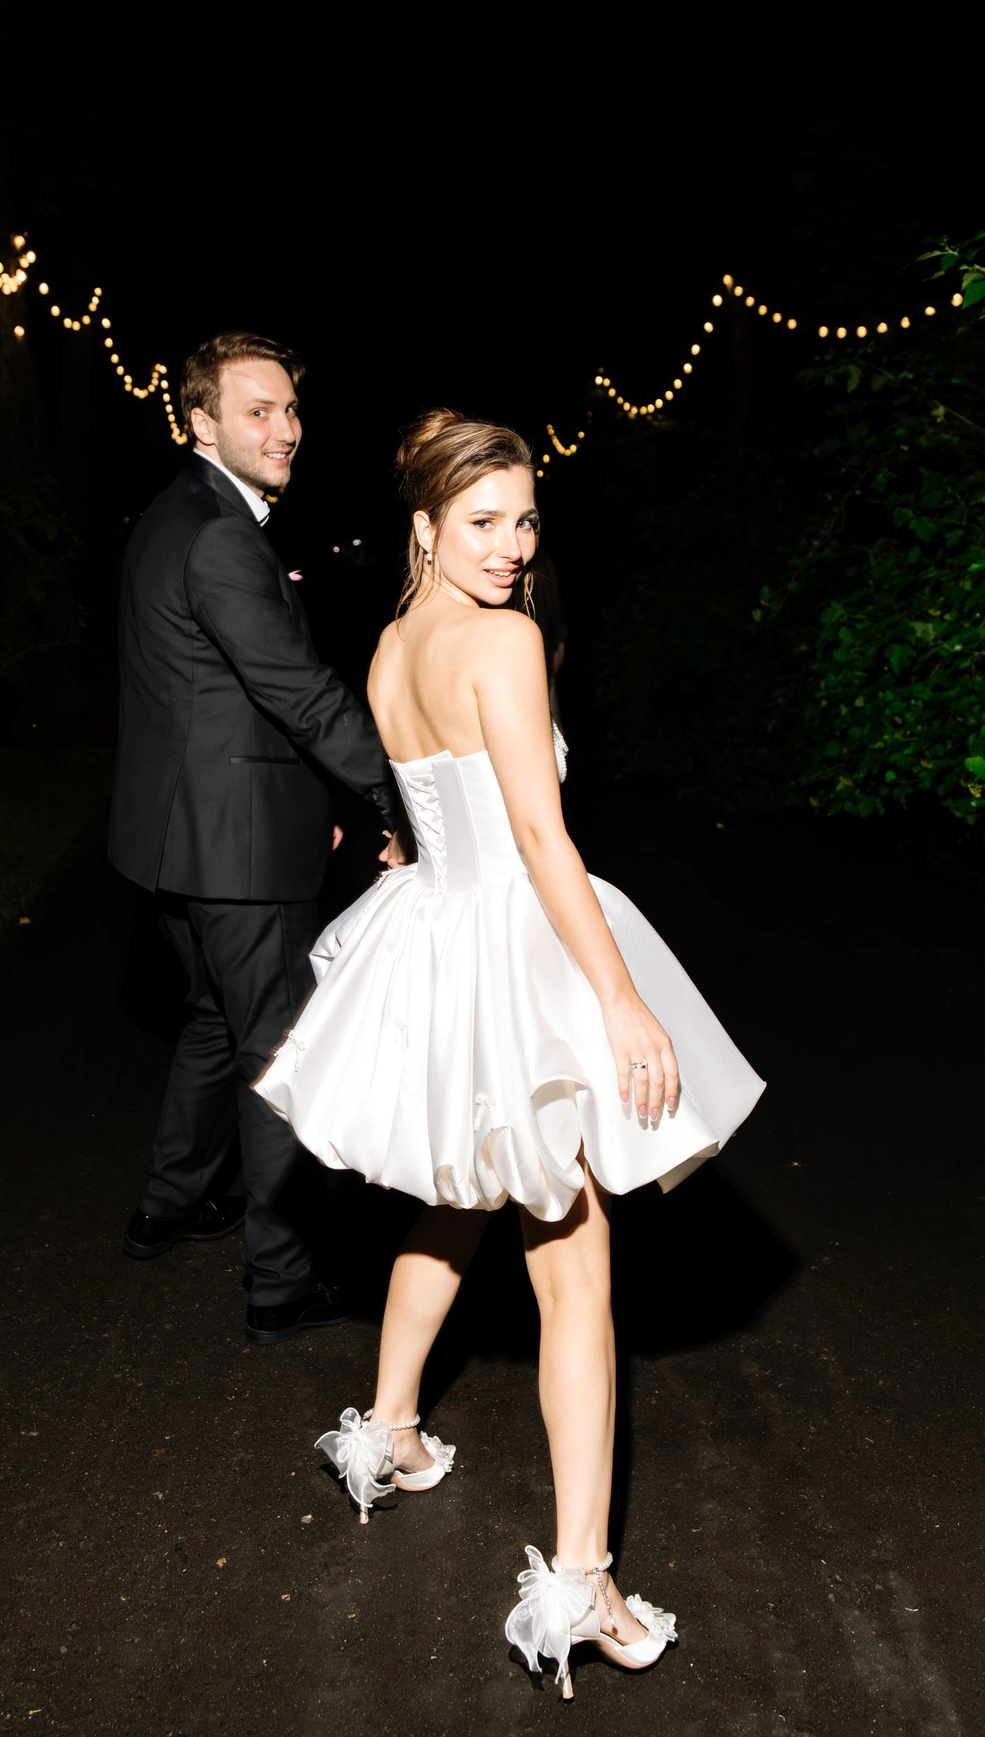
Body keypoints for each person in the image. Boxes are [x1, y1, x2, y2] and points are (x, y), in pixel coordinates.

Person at [253, 410, 765, 1696]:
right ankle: (582, 1583)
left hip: (439, 942)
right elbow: (540, 842)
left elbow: (422, 809)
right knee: (575, 1267)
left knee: (457, 1204)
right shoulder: (506, 640)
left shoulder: (393, 644)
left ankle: (387, 1432)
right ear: (425, 526)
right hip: (522, 951)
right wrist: (621, 1001)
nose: (512, 545)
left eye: (526, 520)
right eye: (483, 521)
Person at [108, 331, 403, 1347]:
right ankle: (281, 1282)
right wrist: (396, 795)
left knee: (210, 1021)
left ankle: (169, 1204)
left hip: (170, 841)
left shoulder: (173, 514)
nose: (286, 430)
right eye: (258, 411)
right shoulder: (221, 535)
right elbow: (298, 690)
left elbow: (205, 695)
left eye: (290, 409)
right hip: (233, 850)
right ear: (202, 422)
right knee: (279, 1049)